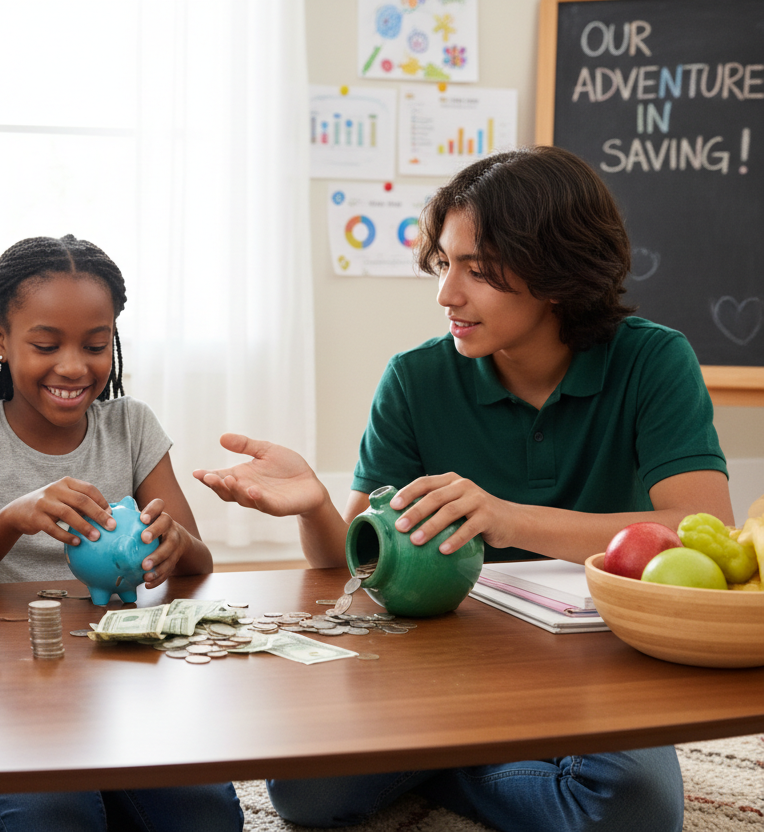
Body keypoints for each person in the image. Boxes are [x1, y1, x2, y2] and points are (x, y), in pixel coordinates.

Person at [193, 146, 732, 832]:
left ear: (557, 273)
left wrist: (508, 520)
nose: (448, 293)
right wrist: (317, 505)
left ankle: (450, 762)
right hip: (448, 653)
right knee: (307, 794)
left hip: (598, 653)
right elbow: (357, 567)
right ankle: (474, 756)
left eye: (478, 271)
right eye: (446, 264)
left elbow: (699, 522)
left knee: (633, 812)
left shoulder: (654, 360)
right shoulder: (415, 378)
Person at [0, 234, 242, 832]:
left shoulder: (131, 425)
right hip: (5, 683)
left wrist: (174, 544)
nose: (73, 366)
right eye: (46, 344)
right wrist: (13, 517)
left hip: (117, 678)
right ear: (0, 341)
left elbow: (198, 562)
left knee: (207, 815)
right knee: (55, 816)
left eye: (95, 345)